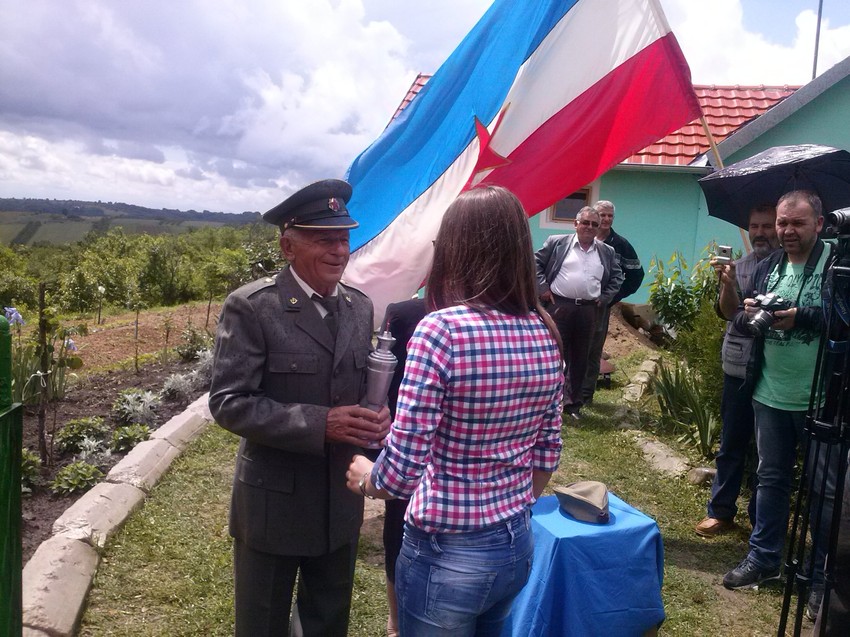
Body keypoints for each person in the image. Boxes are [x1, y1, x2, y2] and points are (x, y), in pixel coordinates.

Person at [347, 185, 564, 636]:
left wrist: (367, 477)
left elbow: (402, 470)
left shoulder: (441, 330)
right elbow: (546, 454)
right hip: (516, 544)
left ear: (454, 249)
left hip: (446, 555)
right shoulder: (544, 330)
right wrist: (508, 504)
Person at [208, 179, 391, 637]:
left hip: (340, 501)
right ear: (288, 245)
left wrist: (377, 415)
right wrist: (320, 423)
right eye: (323, 239)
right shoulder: (254, 308)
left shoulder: (359, 307)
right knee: (263, 623)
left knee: (328, 622)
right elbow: (229, 402)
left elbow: (353, 385)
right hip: (274, 503)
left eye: (344, 238)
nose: (338, 250)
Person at [723, 191, 836, 619]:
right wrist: (747, 304)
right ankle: (764, 558)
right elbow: (740, 320)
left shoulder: (837, 266)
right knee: (769, 480)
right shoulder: (770, 266)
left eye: (797, 224)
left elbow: (843, 316)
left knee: (826, 494)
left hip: (822, 401)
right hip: (770, 393)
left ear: (819, 224)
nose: (786, 231)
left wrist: (802, 317)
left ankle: (824, 579)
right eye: (781, 223)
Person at [695, 204, 779, 538]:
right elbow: (728, 314)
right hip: (739, 366)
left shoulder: (789, 268)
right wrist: (727, 285)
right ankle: (721, 511)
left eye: (767, 226)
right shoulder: (739, 266)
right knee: (732, 441)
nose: (760, 232)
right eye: (754, 226)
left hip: (776, 369)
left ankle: (761, 517)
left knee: (767, 450)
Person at [535, 206, 623, 418]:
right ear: (575, 224)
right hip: (559, 307)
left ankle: (572, 405)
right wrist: (543, 289)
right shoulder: (557, 243)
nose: (589, 227)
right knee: (553, 354)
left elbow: (617, 277)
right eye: (585, 222)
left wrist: (604, 298)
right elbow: (535, 263)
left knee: (580, 357)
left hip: (588, 310)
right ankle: (547, 402)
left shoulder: (606, 251)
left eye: (594, 224)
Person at [380, 297, 428, 637]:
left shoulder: (497, 319)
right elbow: (384, 383)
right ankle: (396, 623)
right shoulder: (405, 313)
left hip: (454, 453)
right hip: (406, 438)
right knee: (398, 526)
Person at [581, 200, 645, 404]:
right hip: (574, 304)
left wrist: (613, 297)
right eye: (603, 215)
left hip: (600, 307)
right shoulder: (581, 239)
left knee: (592, 350)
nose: (607, 219)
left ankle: (585, 395)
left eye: (610, 216)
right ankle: (565, 392)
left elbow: (636, 275)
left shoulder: (620, 245)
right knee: (571, 347)